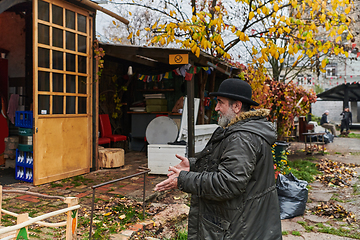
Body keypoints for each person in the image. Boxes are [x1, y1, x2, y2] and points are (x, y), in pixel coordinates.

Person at [154, 78, 282, 240]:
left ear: (237, 106)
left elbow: (228, 183)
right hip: (246, 222)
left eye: (220, 103)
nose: (216, 108)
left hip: (239, 228)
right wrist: (193, 166)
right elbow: (225, 165)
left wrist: (183, 180)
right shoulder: (242, 132)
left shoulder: (241, 138)